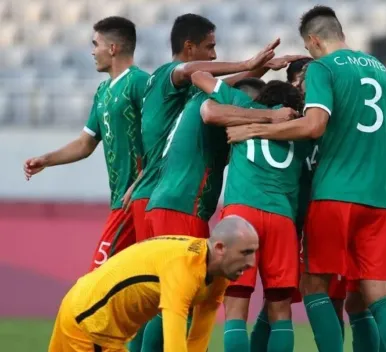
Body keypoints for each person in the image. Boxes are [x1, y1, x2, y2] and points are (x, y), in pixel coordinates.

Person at [224, 6, 386, 352]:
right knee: (377, 295)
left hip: (335, 195)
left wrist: (254, 129)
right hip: (381, 200)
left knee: (313, 286)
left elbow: (313, 125)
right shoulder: (383, 74)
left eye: (308, 48)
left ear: (313, 40)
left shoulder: (323, 68)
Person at [127, 13, 283, 242]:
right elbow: (189, 72)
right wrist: (247, 64)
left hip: (157, 192)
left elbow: (228, 87)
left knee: (155, 274)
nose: (214, 55)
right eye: (209, 47)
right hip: (166, 195)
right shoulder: (167, 74)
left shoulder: (191, 95)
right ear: (189, 47)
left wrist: (265, 66)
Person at [193, 73, 308, 352]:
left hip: (242, 215)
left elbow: (200, 77)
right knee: (280, 312)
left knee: (235, 309)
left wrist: (251, 66)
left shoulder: (248, 113)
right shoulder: (300, 132)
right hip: (282, 218)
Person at [23, 17, 149, 271]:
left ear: (112, 48)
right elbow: (85, 143)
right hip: (120, 200)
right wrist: (46, 160)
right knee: (131, 284)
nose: (92, 51)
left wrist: (140, 181)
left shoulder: (140, 83)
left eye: (96, 44)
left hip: (139, 198)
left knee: (97, 279)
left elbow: (160, 140)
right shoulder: (103, 91)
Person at [48, 215, 259, 352]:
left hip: (99, 325)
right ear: (220, 248)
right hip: (89, 324)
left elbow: (198, 337)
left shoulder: (218, 274)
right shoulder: (185, 269)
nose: (251, 263)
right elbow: (174, 344)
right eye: (245, 253)